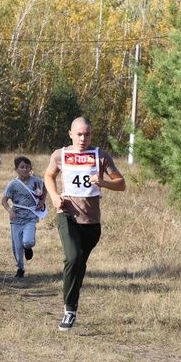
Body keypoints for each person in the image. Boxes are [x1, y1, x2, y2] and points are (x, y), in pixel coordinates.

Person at [44, 117, 125, 331]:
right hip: (67, 214)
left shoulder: (100, 156)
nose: (83, 138)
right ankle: (69, 311)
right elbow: (49, 175)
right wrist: (53, 196)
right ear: (70, 134)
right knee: (73, 258)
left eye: (87, 134)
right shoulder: (60, 155)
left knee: (79, 265)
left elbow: (121, 184)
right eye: (79, 134)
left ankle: (73, 292)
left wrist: (104, 182)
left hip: (91, 221)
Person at [2, 156, 47, 278]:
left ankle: (28, 248)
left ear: (30, 168)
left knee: (28, 241)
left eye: (27, 167)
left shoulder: (36, 181)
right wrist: (10, 211)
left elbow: (44, 190)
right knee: (17, 246)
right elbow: (4, 201)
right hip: (16, 218)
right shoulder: (12, 184)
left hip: (31, 217)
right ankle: (20, 268)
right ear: (16, 169)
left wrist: (42, 202)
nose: (25, 169)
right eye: (22, 167)